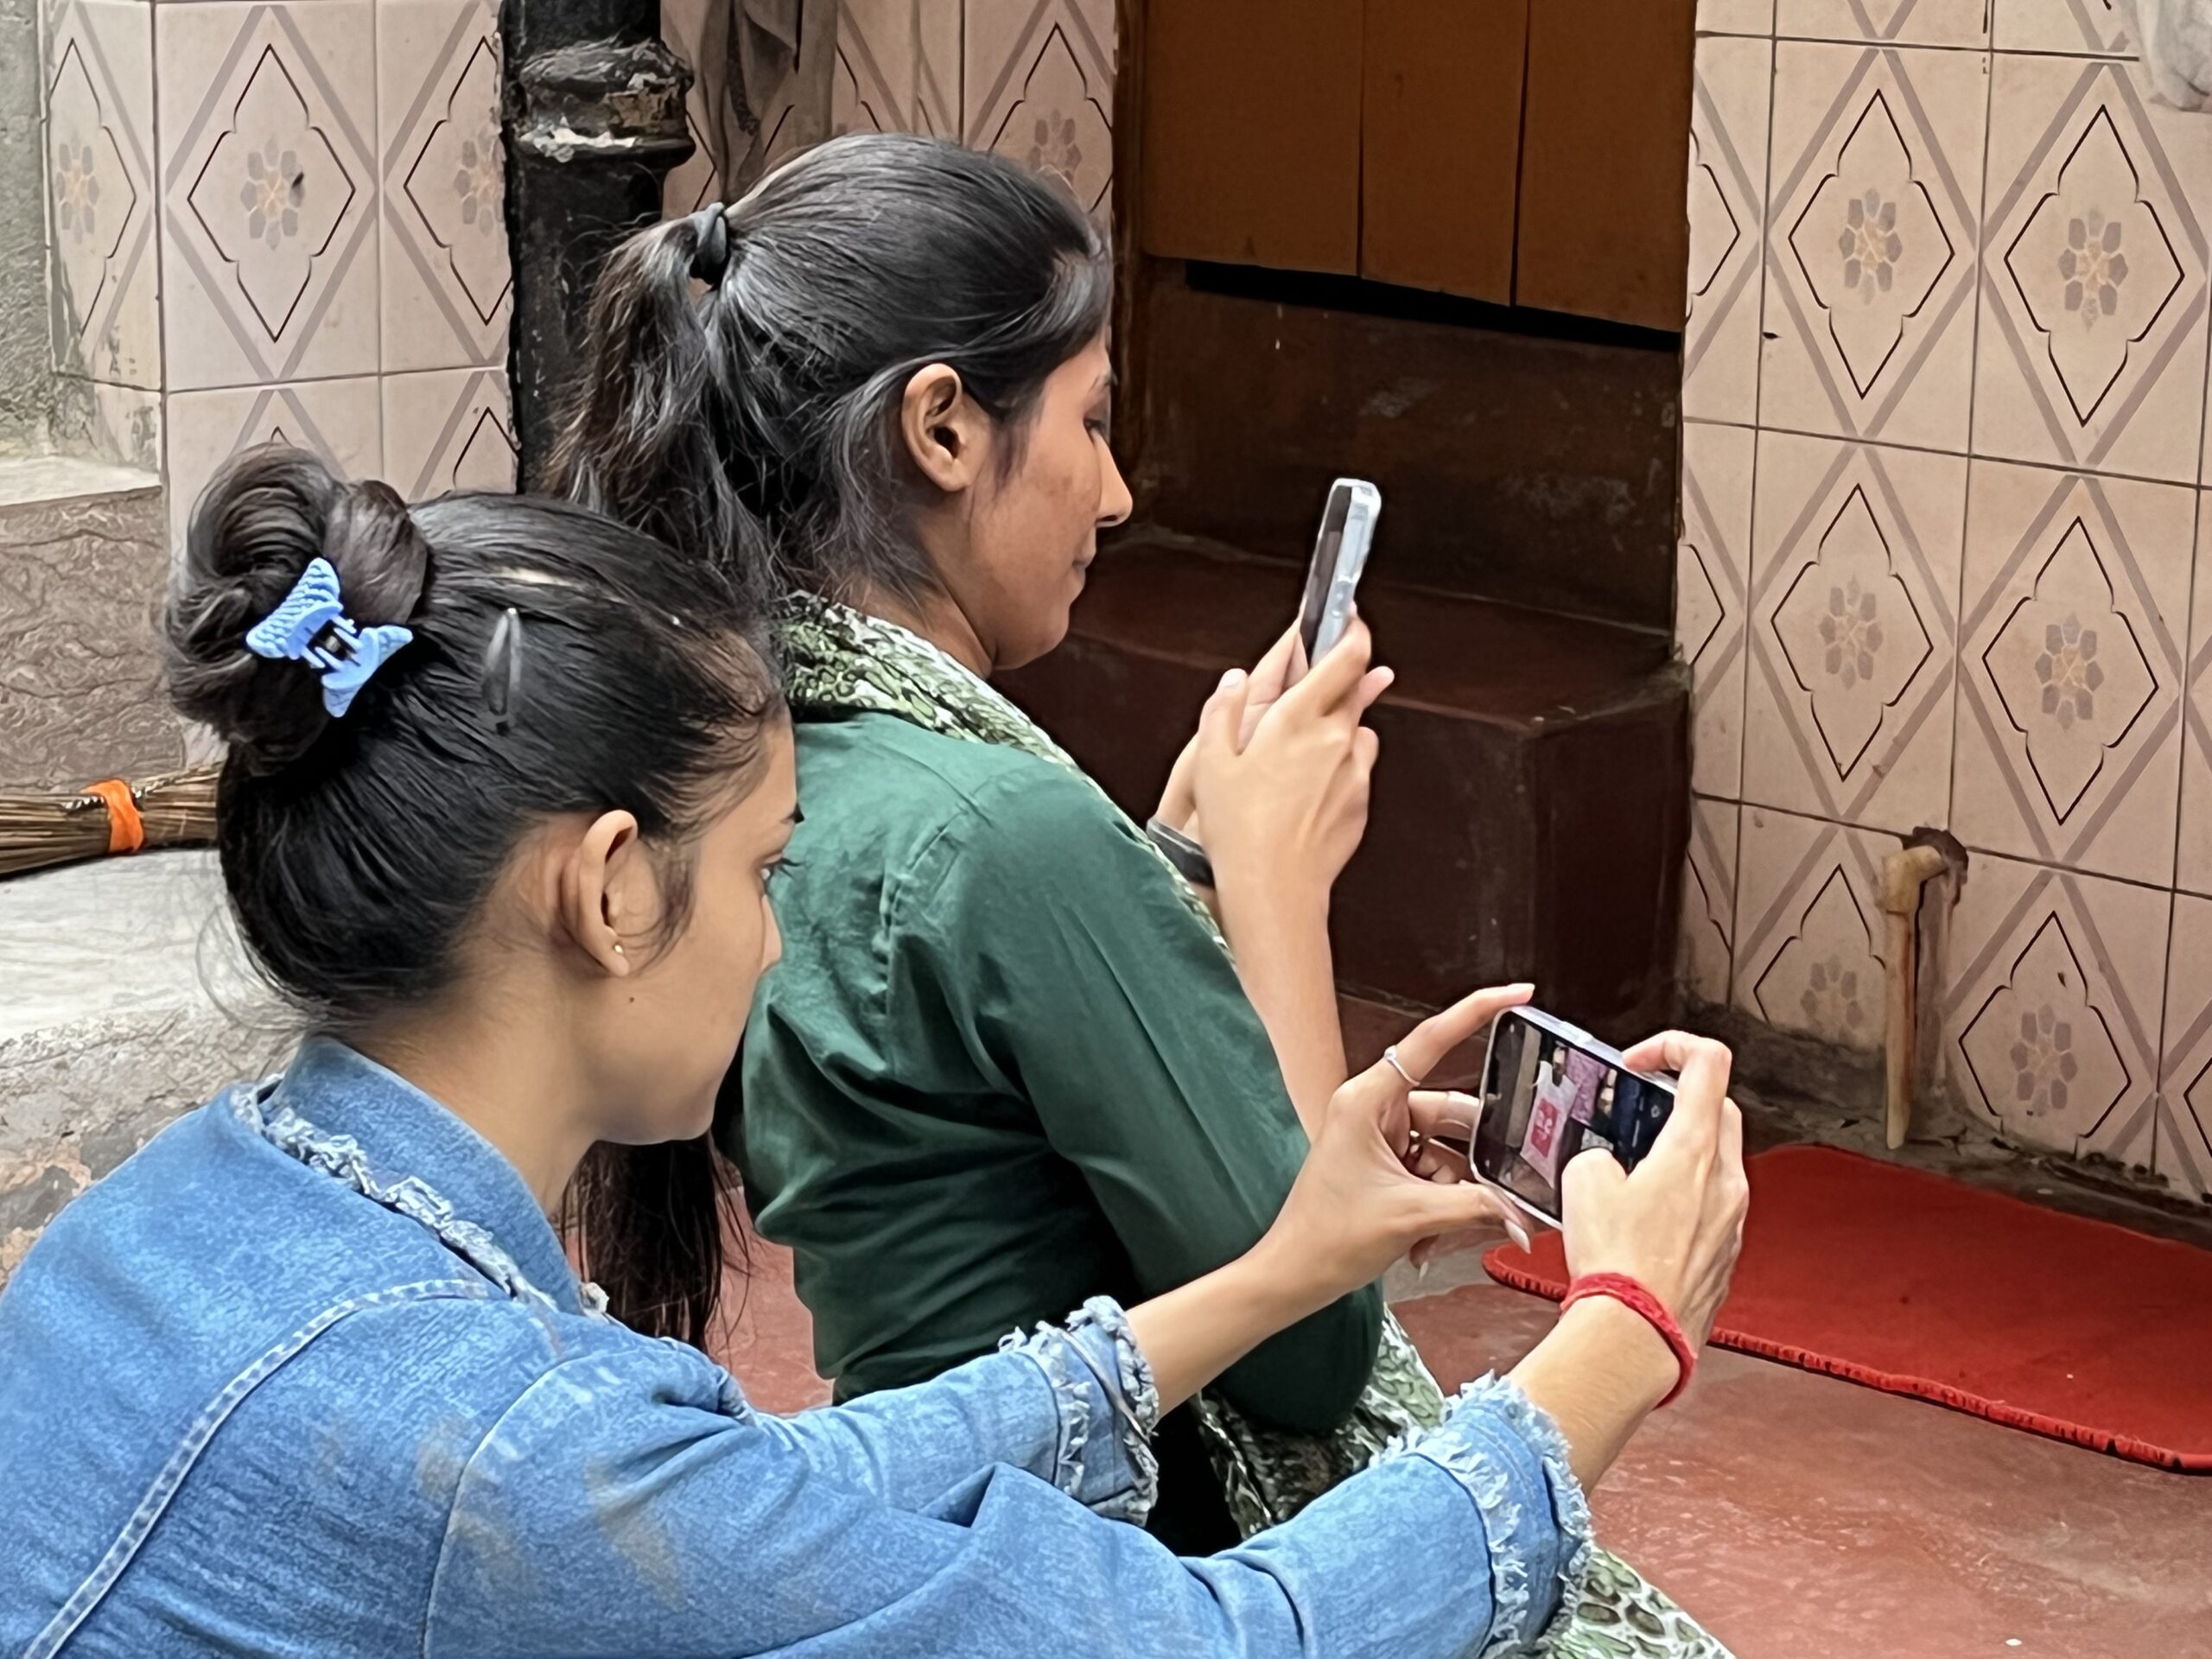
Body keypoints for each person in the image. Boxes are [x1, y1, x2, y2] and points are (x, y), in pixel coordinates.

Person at [0, 449, 1750, 1656]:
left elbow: (766, 1502)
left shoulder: (176, 1214)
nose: (777, 933)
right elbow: (1227, 1639)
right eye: (762, 870)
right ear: (610, 888)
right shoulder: (516, 1455)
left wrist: (1278, 1265)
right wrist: (1619, 1332)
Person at [551, 131, 1733, 1650]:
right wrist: (1271, 894)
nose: (1114, 494)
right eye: (1092, 424)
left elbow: (992, 1126)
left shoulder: (766, 773)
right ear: (942, 429)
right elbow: (1308, 1347)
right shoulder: (998, 826)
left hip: (932, 1531)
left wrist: (1162, 867)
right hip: (1116, 1574)